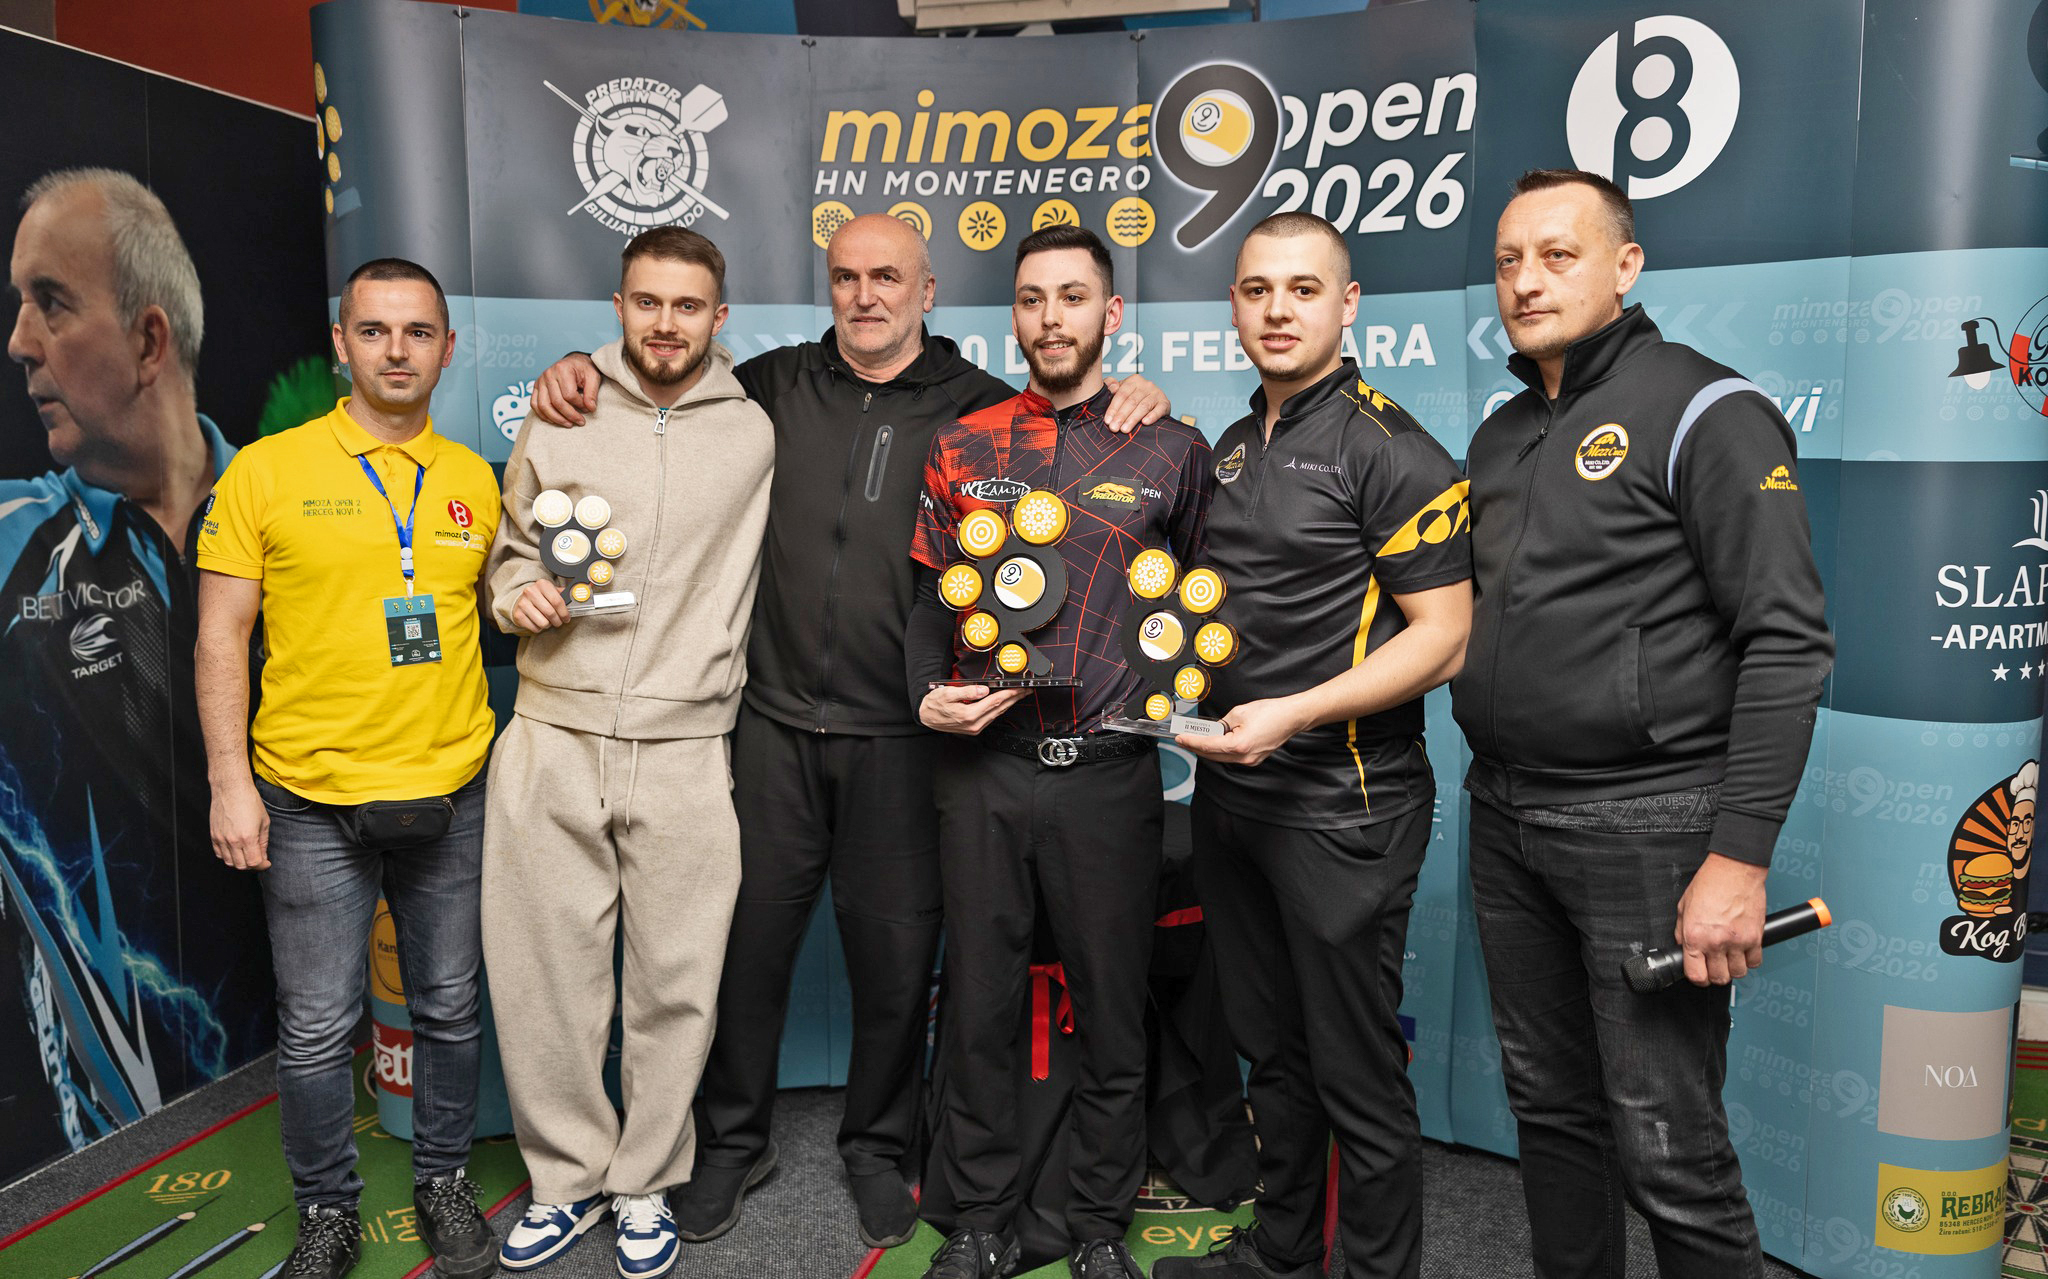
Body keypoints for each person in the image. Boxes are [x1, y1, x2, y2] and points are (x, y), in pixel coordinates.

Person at [526, 213, 1167, 1250]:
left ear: (927, 291)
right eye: (845, 277)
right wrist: (580, 368)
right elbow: (658, 374)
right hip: (770, 727)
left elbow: (1083, 450)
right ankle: (731, 1142)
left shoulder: (982, 411)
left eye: (888, 278)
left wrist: (1143, 397)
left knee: (896, 961)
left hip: (907, 741)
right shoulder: (768, 385)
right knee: (742, 952)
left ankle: (877, 1144)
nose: (865, 296)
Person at [1451, 169, 1833, 1279]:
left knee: (1669, 1147)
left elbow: (1786, 640)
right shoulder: (1502, 432)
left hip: (1649, 825)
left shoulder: (1707, 409)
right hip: (1505, 814)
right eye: (1509, 261)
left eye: (1557, 255)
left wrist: (1738, 858)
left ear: (1625, 266)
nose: (1526, 281)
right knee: (1550, 1114)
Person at [1161, 213, 1472, 1279]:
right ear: (1233, 307)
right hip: (1234, 800)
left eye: (1303, 289)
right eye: (1256, 290)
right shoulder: (1230, 443)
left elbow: (1444, 639)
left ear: (1348, 304)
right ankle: (1283, 1254)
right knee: (1272, 1051)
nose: (1278, 309)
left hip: (1345, 807)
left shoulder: (1390, 448)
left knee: (1355, 1071)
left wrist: (1294, 713)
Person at [906, 225, 1210, 1279]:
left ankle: (1095, 1227)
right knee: (980, 1007)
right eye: (1033, 298)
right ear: (1014, 316)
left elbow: (1206, 598)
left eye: (1073, 297)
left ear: (1109, 314)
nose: (1051, 317)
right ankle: (982, 1218)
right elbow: (925, 599)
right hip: (983, 771)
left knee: (1113, 1011)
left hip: (1109, 776)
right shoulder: (961, 444)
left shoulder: (1171, 448)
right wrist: (924, 693)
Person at [195, 258, 501, 1279]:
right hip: (307, 799)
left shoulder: (473, 479)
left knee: (449, 1005)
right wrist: (229, 782)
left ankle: (443, 1181)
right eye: (374, 330)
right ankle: (327, 1209)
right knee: (320, 1027)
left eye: (418, 332)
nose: (396, 351)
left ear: (447, 348)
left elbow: (502, 605)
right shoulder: (265, 471)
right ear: (341, 343)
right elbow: (220, 636)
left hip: (452, 789)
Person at [484, 226, 773, 1279]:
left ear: (718, 318)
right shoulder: (561, 410)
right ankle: (565, 1179)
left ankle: (644, 1179)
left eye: (687, 306)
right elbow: (511, 553)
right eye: (646, 302)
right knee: (543, 980)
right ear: (617, 307)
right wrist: (514, 592)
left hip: (688, 744)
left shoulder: (755, 428)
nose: (664, 323)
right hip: (552, 730)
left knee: (677, 983)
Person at [0, 168, 269, 1169]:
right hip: (111, 1164)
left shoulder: (291, 510)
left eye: (51, 302)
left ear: (150, 341)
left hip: (319, 1076)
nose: (20, 341)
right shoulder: (14, 540)